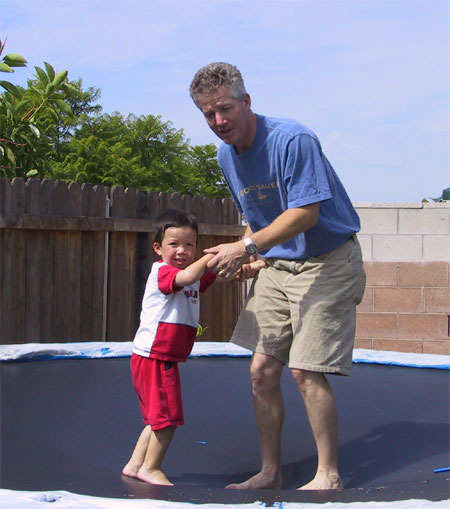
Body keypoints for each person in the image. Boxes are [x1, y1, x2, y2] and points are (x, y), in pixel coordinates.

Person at [189, 62, 366, 491]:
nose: (219, 121)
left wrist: (247, 247)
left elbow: (305, 214)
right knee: (261, 371)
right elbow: (257, 217)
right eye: (209, 114)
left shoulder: (293, 139)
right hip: (278, 265)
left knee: (305, 370)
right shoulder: (225, 155)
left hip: (327, 261)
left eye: (226, 109)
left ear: (246, 101)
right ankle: (270, 472)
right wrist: (248, 256)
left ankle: (328, 475)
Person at [122, 208, 265, 485]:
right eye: (174, 244)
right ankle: (151, 467)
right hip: (155, 357)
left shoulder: (191, 274)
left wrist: (251, 267)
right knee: (168, 418)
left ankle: (135, 464)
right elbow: (188, 277)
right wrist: (212, 256)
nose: (182, 251)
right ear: (158, 248)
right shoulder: (163, 272)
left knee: (156, 418)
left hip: (159, 357)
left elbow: (223, 276)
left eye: (189, 245)